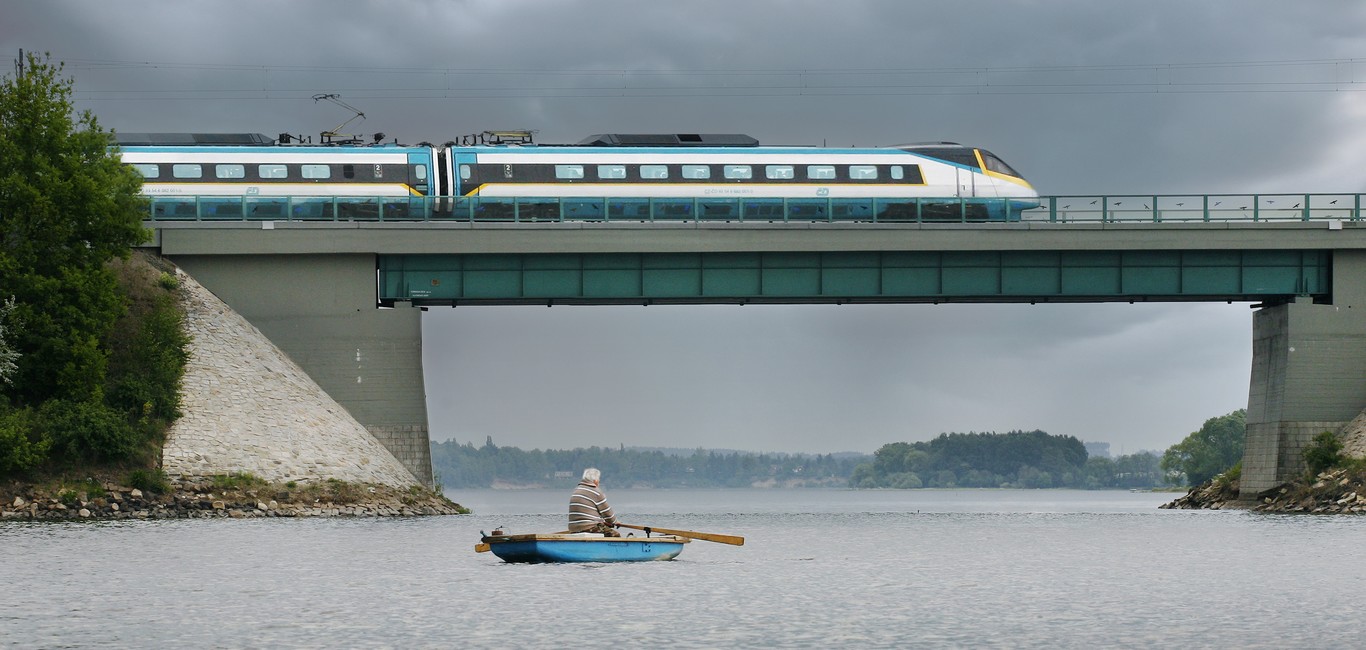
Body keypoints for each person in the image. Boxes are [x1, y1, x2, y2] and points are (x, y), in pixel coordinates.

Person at [568, 467, 620, 536]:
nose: (599, 481)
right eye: (599, 479)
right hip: (589, 527)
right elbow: (607, 513)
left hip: (573, 528)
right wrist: (615, 522)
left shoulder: (576, 490)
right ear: (595, 480)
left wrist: (604, 522)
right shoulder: (596, 492)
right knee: (616, 535)